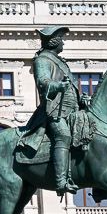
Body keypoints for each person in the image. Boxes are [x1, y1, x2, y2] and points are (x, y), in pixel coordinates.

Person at [22, 26, 86, 194]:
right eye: (61, 39)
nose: (63, 42)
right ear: (54, 42)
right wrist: (58, 86)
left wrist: (82, 99)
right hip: (54, 111)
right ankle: (61, 182)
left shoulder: (60, 62)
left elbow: (71, 89)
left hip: (72, 111)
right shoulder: (42, 60)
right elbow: (43, 82)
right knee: (63, 136)